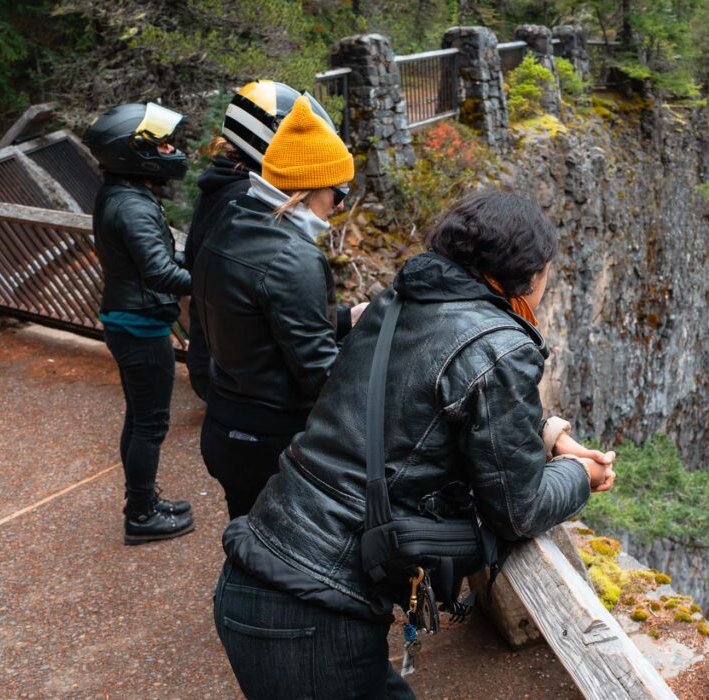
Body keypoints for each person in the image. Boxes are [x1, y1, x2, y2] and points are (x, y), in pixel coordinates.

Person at [212, 190, 616, 699]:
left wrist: (551, 437)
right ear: (529, 273)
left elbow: (427, 410)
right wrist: (583, 475)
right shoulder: (499, 344)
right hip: (313, 611)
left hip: (270, 565)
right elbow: (519, 508)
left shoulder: (398, 304)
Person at [193, 94, 359, 520]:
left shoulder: (231, 220)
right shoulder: (293, 256)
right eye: (338, 190)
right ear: (309, 186)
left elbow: (254, 322)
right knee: (278, 567)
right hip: (269, 440)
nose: (340, 204)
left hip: (227, 425)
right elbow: (319, 373)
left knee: (245, 544)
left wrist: (344, 319)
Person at [83, 102, 196, 545]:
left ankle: (142, 501)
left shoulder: (123, 193)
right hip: (141, 326)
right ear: (133, 153)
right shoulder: (133, 206)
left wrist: (199, 261)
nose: (171, 150)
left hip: (128, 319)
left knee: (139, 418)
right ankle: (143, 515)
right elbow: (161, 274)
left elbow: (159, 262)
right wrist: (218, 278)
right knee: (150, 424)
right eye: (161, 144)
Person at [183, 80, 306, 401]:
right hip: (233, 367)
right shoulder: (244, 199)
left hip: (217, 353)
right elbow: (263, 285)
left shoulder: (223, 185)